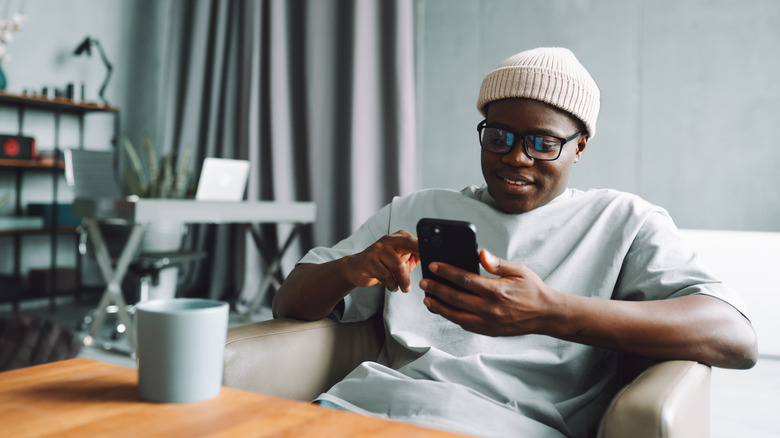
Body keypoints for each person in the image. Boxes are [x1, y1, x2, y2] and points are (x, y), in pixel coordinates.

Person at [273, 47, 757, 438]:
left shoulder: (622, 220)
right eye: (498, 137)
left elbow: (735, 338)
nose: (516, 158)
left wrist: (549, 312)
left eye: (542, 143)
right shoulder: (416, 209)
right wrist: (349, 269)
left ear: (579, 146)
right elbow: (287, 302)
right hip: (354, 412)